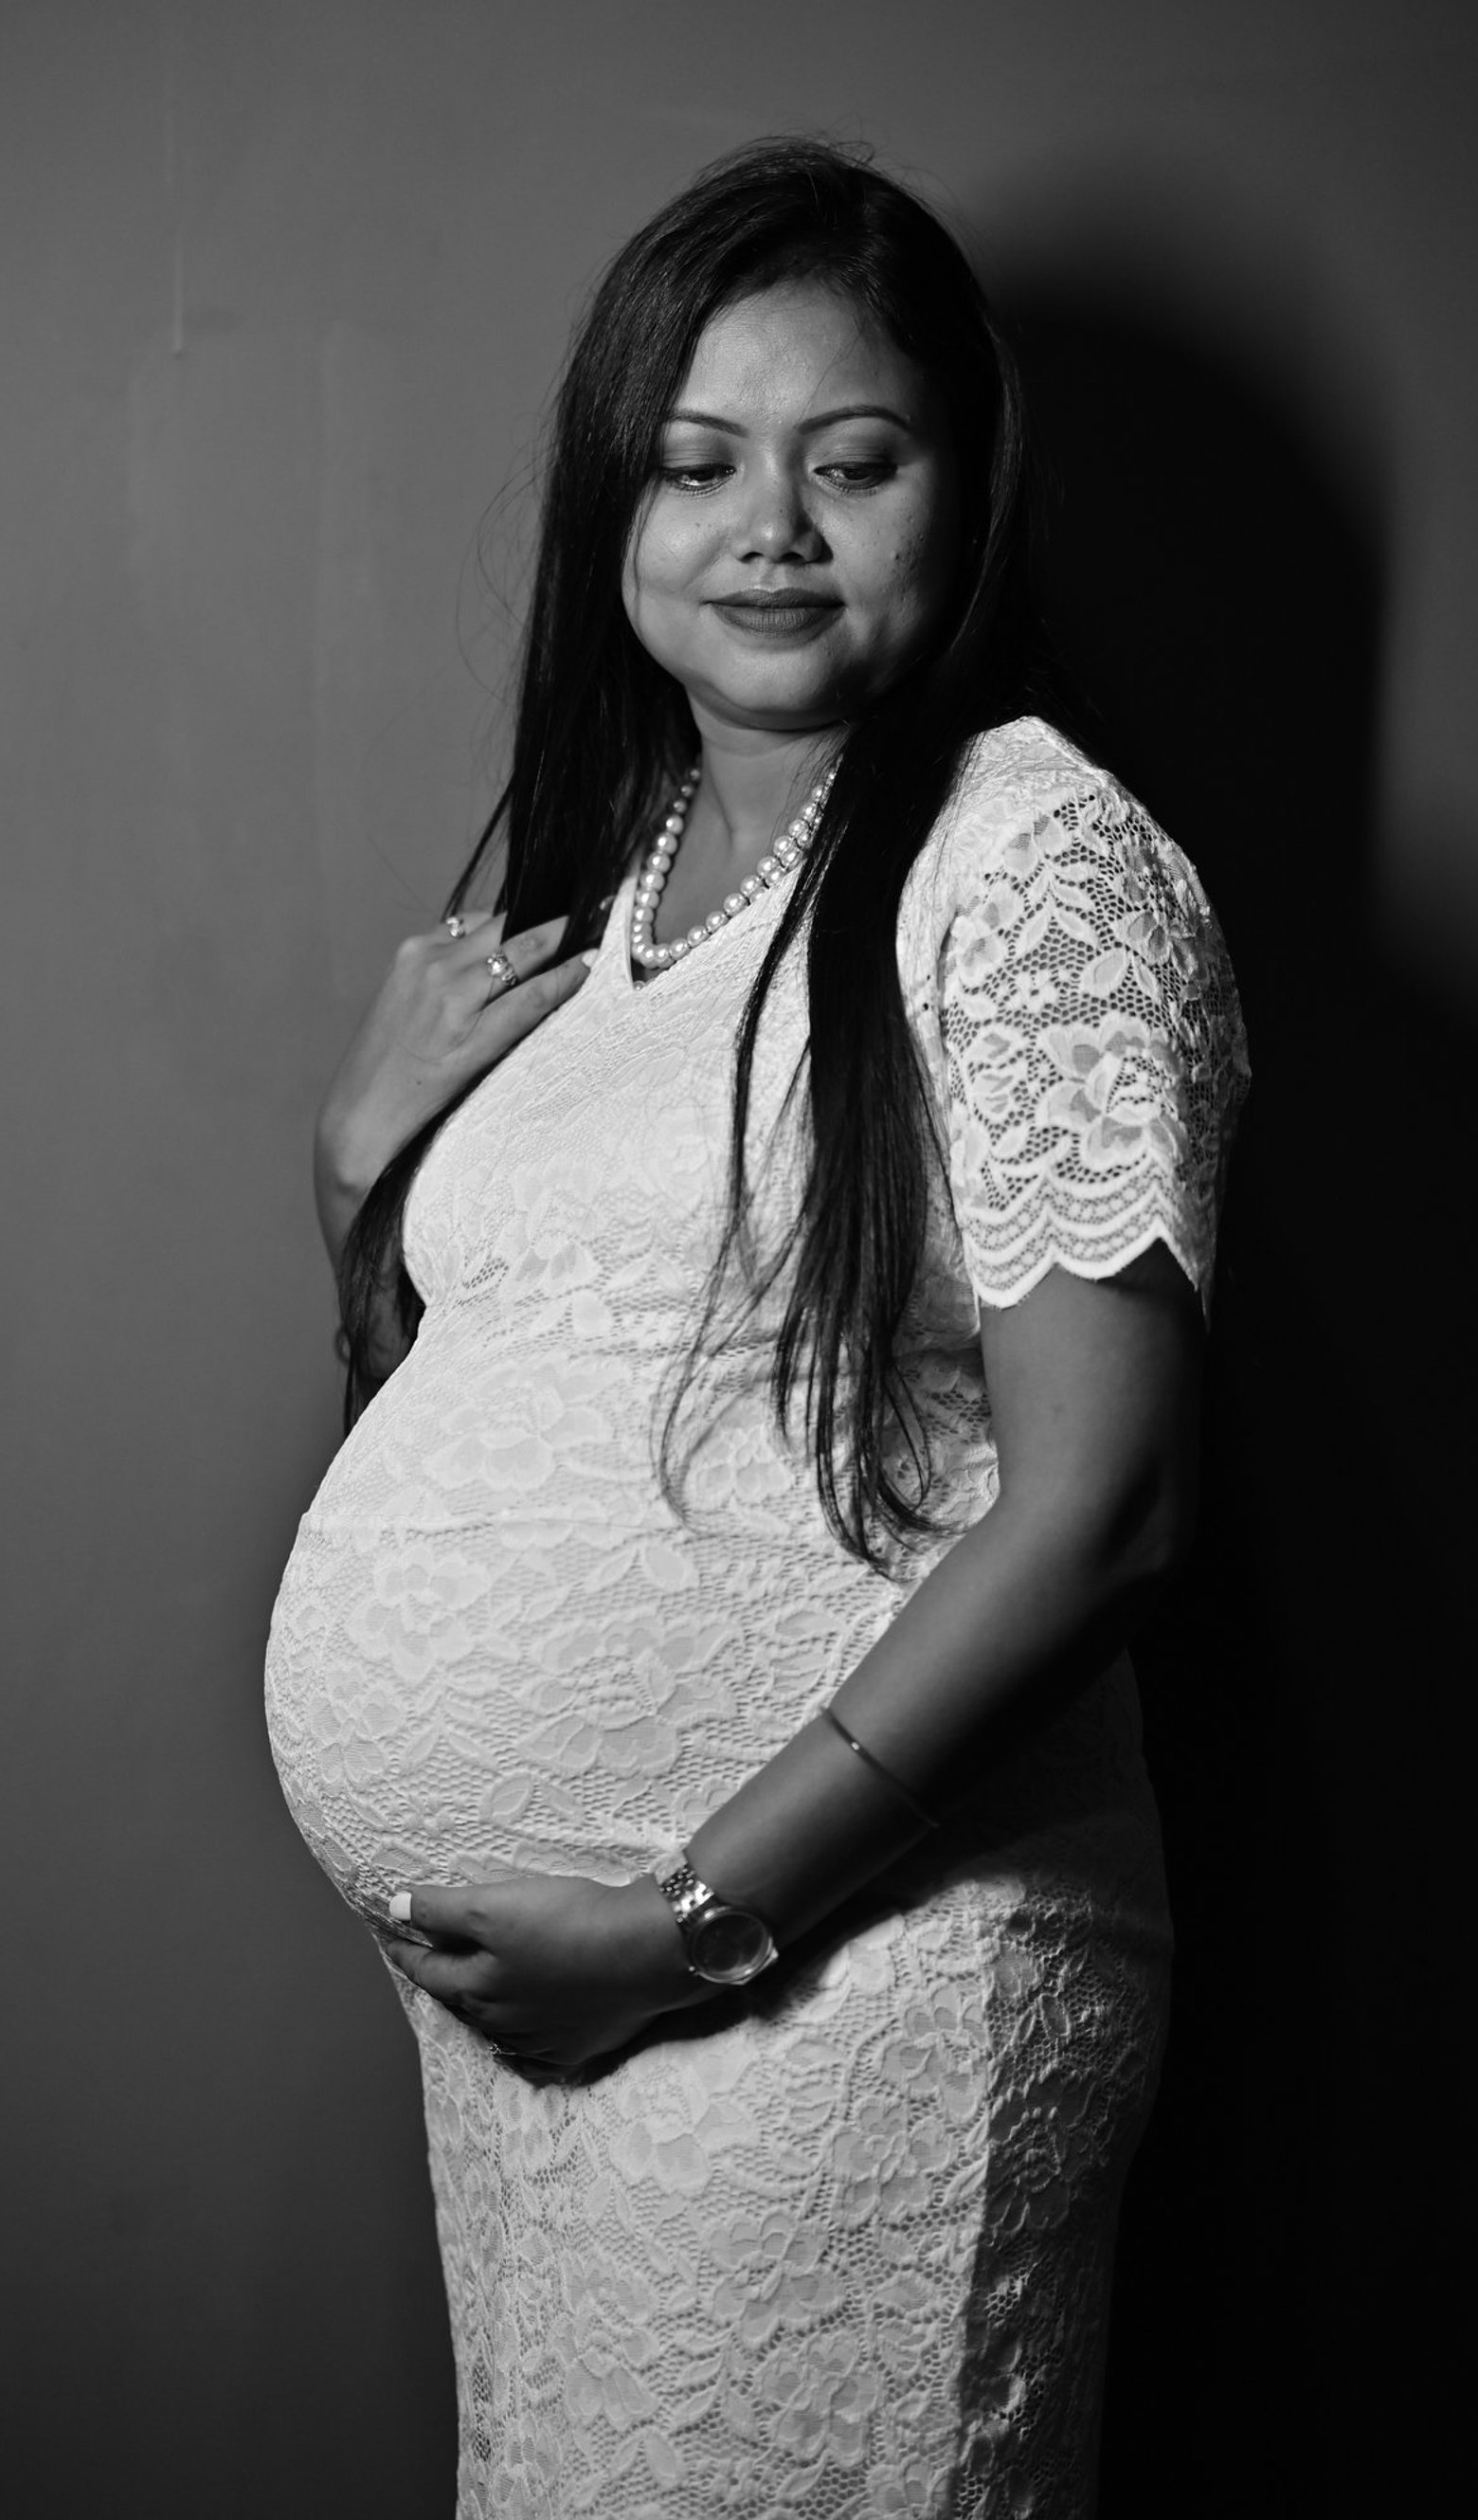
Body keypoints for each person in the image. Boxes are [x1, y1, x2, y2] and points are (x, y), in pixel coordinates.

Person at [264, 138, 1249, 2518]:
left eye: (853, 460)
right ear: (617, 509)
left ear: (963, 493)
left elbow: (1109, 1505)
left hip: (840, 1987)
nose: (768, 529)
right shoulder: (603, 901)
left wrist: (691, 1926)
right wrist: (354, 1173)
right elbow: (495, 1411)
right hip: (561, 2030)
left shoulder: (1033, 858)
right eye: (698, 464)